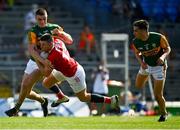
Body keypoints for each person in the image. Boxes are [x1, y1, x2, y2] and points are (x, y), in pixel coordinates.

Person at [5, 8, 71, 117]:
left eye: (44, 19)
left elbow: (69, 40)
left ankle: (16, 108)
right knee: (25, 91)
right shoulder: (33, 31)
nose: (42, 22)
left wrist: (61, 34)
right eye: (40, 19)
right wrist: (42, 61)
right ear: (36, 19)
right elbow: (31, 50)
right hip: (35, 60)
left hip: (46, 62)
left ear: (47, 17)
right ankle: (43, 100)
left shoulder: (54, 27)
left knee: (26, 84)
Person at [38, 34, 119, 111]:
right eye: (41, 44)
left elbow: (45, 73)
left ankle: (110, 100)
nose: (41, 47)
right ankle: (61, 97)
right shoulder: (57, 41)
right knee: (46, 83)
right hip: (65, 70)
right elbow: (58, 37)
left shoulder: (53, 56)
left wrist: (37, 59)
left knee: (83, 97)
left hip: (74, 74)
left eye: (43, 45)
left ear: (50, 44)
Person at [131, 19, 171, 122]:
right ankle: (149, 75)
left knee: (157, 95)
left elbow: (167, 49)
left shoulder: (158, 37)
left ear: (143, 31)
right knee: (138, 85)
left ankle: (164, 114)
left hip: (159, 67)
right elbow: (137, 53)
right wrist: (142, 63)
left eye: (136, 30)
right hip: (146, 66)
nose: (134, 32)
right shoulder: (135, 41)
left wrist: (162, 58)